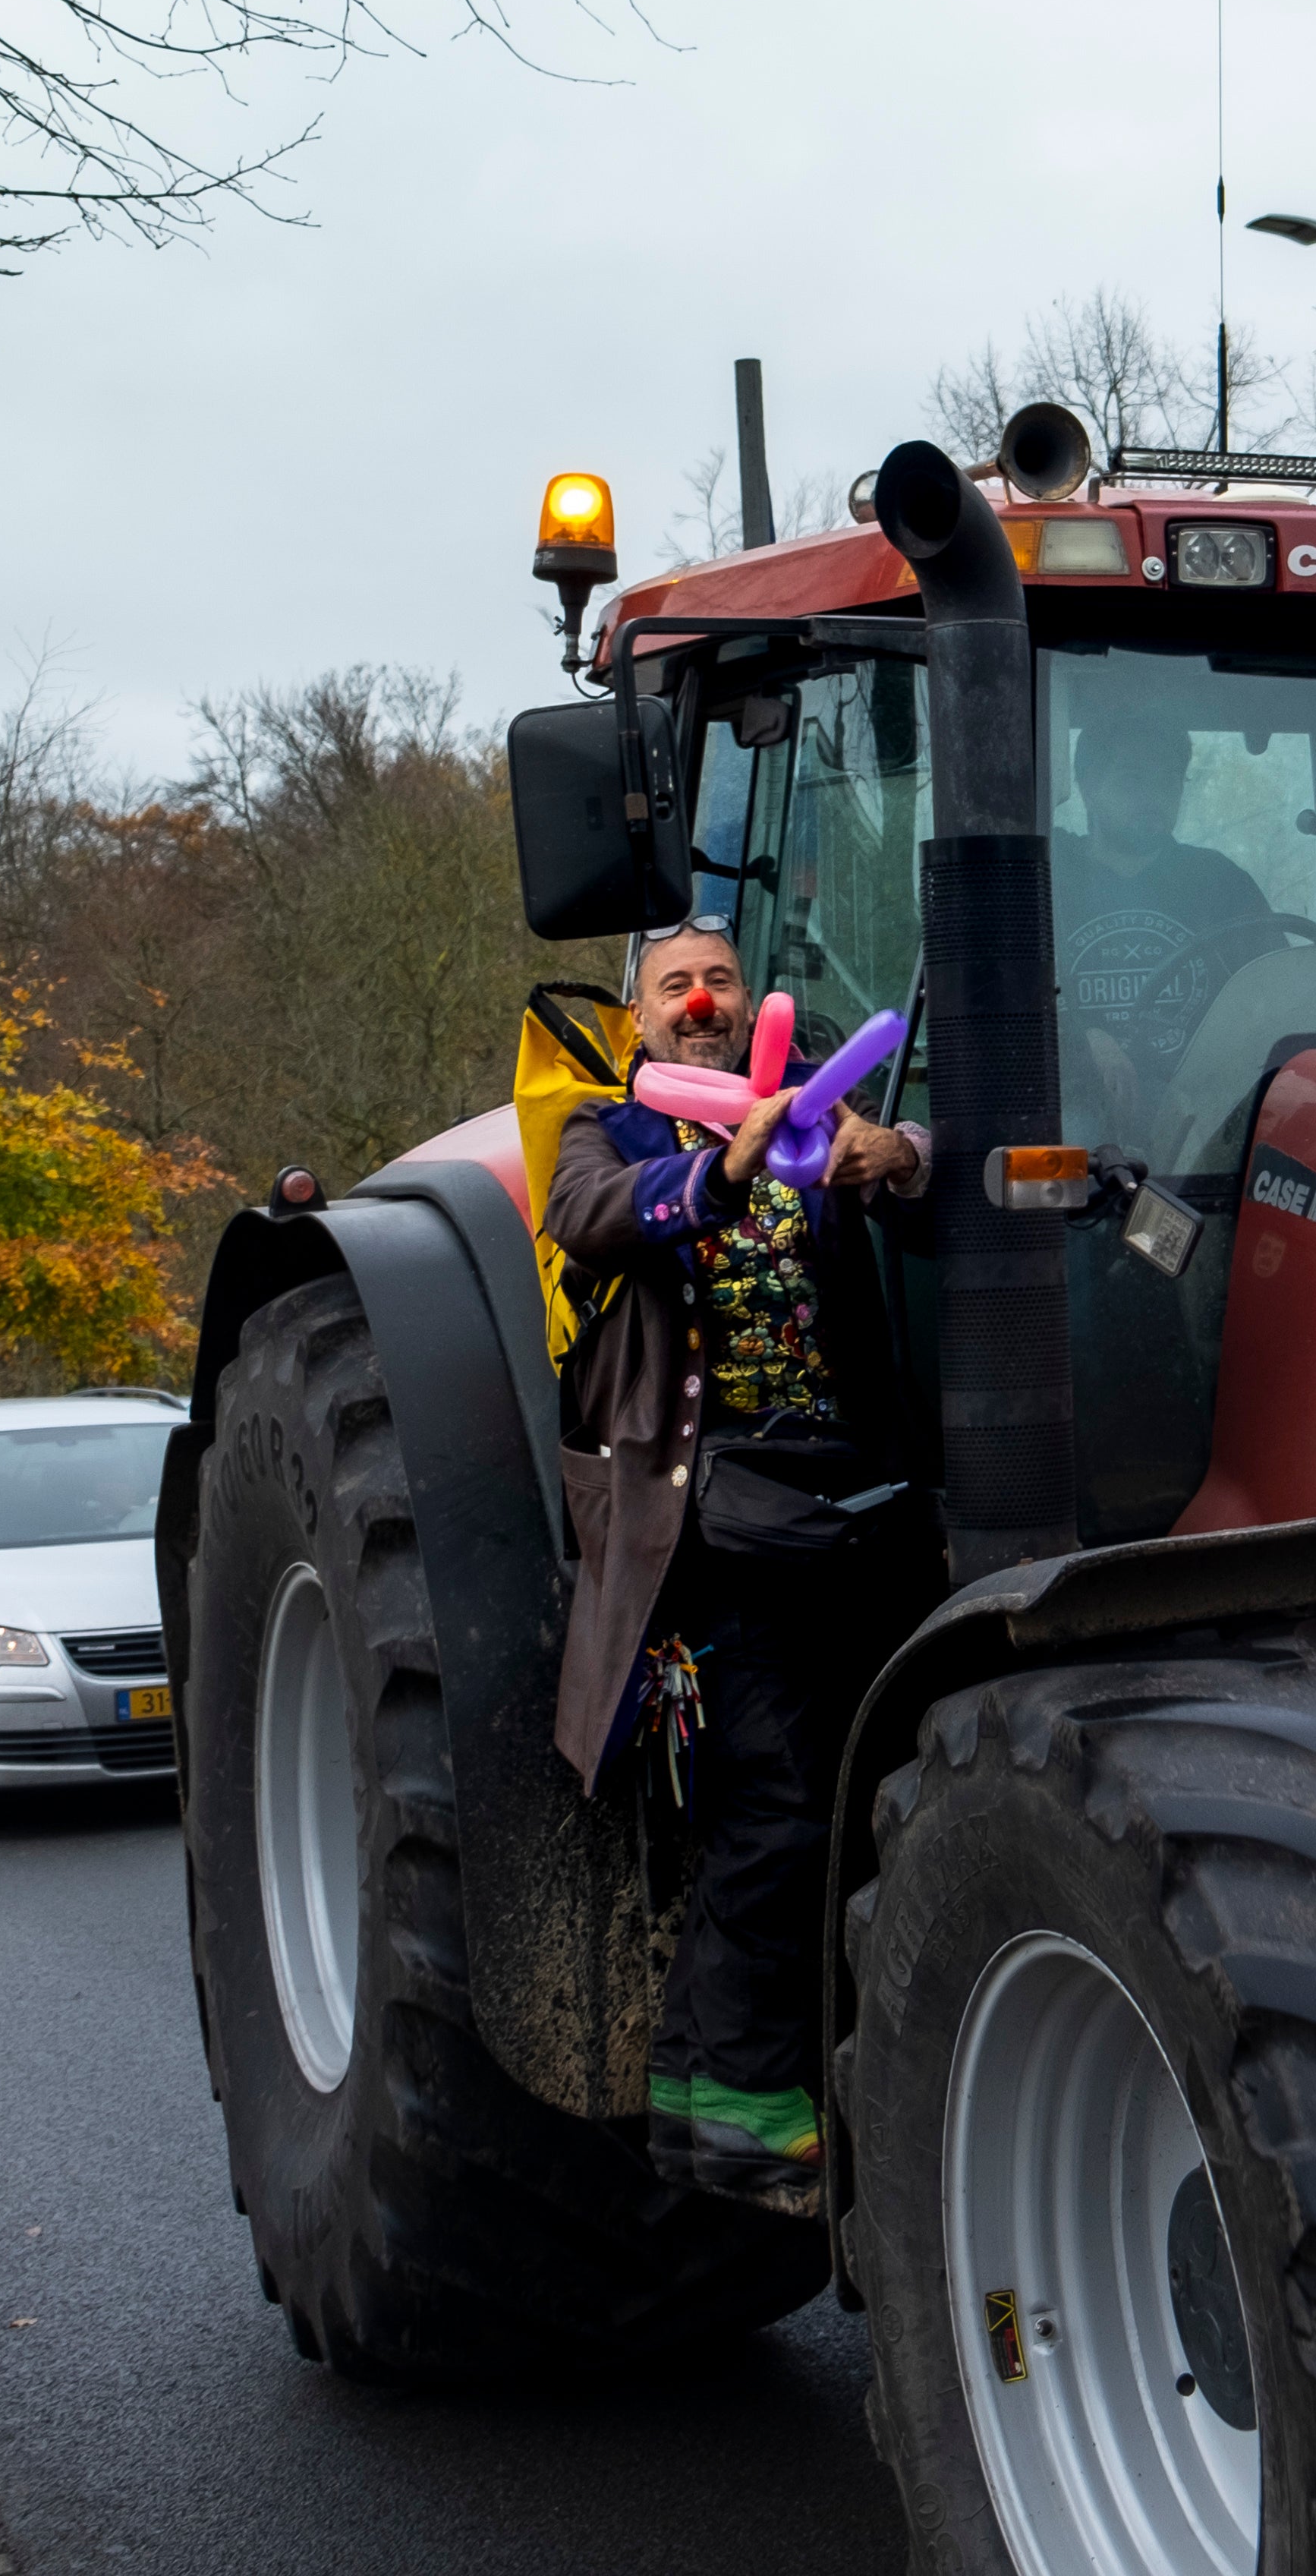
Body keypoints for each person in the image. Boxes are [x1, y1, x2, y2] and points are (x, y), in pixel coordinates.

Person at [548, 915, 930, 2216]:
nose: (700, 1000)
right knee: (772, 1799)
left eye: (717, 979)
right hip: (711, 1519)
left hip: (841, 1507)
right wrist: (716, 1181)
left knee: (808, 1795)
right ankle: (741, 2091)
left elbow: (927, 1172)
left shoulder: (824, 1116)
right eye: (674, 987)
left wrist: (903, 1156)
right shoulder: (615, 1134)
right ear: (641, 1017)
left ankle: (712, 2092)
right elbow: (597, 1221)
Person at [1048, 713, 1272, 1143]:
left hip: (1204, 1124)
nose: (1155, 797)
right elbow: (1002, 1001)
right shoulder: (1048, 877)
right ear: (1087, 788)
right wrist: (1079, 1042)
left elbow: (1272, 1002)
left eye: (1169, 781)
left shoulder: (1221, 885)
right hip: (1075, 1123)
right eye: (1133, 780)